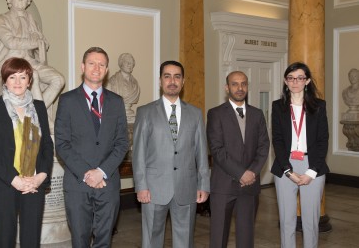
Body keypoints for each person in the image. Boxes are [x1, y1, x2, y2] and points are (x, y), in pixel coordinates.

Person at [54, 47, 129, 247]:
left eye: (101, 64)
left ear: (106, 70)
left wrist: (101, 172)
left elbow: (122, 143)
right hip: (77, 183)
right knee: (80, 240)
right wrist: (87, 173)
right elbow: (61, 143)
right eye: (92, 63)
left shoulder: (116, 101)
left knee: (104, 240)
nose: (96, 68)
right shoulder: (67, 100)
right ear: (82, 67)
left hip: (108, 182)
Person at [0, 57, 54, 248]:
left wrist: (41, 176)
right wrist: (14, 179)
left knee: (31, 239)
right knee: (4, 240)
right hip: (4, 182)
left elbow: (47, 146)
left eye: (23, 77)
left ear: (30, 80)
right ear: (5, 80)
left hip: (33, 183)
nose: (18, 82)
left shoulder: (39, 107)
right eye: (12, 77)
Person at [132, 60, 210, 248]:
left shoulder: (195, 113)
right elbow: (138, 153)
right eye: (167, 76)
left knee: (185, 240)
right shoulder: (145, 112)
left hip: (187, 187)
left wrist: (204, 184)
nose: (172, 81)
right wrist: (140, 185)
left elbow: (201, 151)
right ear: (160, 81)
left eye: (177, 76)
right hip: (153, 188)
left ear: (183, 82)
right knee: (152, 239)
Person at [206, 71, 270, 248]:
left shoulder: (257, 114)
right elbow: (217, 150)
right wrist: (241, 173)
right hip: (223, 186)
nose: (239, 88)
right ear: (227, 88)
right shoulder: (215, 114)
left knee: (246, 237)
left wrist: (252, 173)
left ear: (247, 86)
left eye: (243, 84)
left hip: (249, 187)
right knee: (219, 237)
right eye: (235, 84)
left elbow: (264, 146)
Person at [271, 62, 329, 248]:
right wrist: (288, 170)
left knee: (310, 221)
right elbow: (277, 140)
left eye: (300, 78)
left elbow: (323, 140)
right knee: (286, 221)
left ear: (307, 81)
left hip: (312, 166)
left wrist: (312, 172)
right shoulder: (278, 106)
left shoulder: (319, 106)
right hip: (285, 165)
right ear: (285, 81)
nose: (295, 82)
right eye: (291, 78)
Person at [0, 0, 64, 112]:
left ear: (28, 1)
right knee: (34, 76)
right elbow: (10, 42)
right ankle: (34, 117)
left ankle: (35, 115)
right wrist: (34, 42)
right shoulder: (0, 20)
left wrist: (41, 42)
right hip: (9, 64)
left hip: (31, 63)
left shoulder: (32, 21)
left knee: (58, 79)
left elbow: (43, 43)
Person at [106, 52, 140, 123]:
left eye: (131, 62)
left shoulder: (135, 84)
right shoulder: (112, 82)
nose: (129, 64)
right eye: (126, 62)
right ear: (121, 64)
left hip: (130, 114)